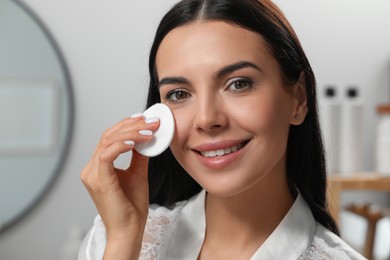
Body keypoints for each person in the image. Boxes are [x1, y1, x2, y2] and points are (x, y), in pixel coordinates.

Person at [78, 0, 366, 259]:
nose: (206, 119)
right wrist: (124, 242)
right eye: (179, 94)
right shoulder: (113, 241)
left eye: (239, 83)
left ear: (298, 99)